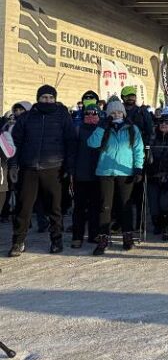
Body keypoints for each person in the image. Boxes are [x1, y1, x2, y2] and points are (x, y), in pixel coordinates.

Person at [8, 85, 76, 257]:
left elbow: (70, 142)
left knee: (54, 208)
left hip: (54, 168)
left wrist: (69, 166)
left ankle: (56, 240)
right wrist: (14, 165)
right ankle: (18, 241)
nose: (48, 100)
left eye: (51, 98)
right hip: (29, 168)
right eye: (44, 97)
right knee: (23, 207)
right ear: (38, 98)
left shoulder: (63, 116)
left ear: (55, 99)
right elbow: (15, 142)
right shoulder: (27, 117)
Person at [87, 96, 145, 255]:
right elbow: (91, 143)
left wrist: (138, 168)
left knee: (125, 206)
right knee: (105, 206)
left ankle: (128, 237)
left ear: (124, 113)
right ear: (108, 114)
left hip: (125, 171)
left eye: (120, 111)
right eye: (113, 112)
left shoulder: (132, 129)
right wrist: (101, 127)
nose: (117, 114)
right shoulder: (103, 127)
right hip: (105, 171)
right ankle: (103, 238)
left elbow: (138, 150)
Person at [71, 102, 102, 248]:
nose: (90, 115)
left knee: (95, 207)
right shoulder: (77, 129)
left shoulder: (102, 129)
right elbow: (72, 152)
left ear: (99, 115)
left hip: (97, 174)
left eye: (94, 113)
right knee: (79, 208)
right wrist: (71, 170)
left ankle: (94, 234)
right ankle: (77, 236)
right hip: (81, 174)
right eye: (87, 113)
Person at [146, 113, 168, 240]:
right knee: (153, 204)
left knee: (165, 203)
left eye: (167, 122)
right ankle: (157, 224)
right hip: (153, 175)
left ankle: (167, 227)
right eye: (161, 122)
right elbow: (147, 154)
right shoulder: (153, 137)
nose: (163, 125)